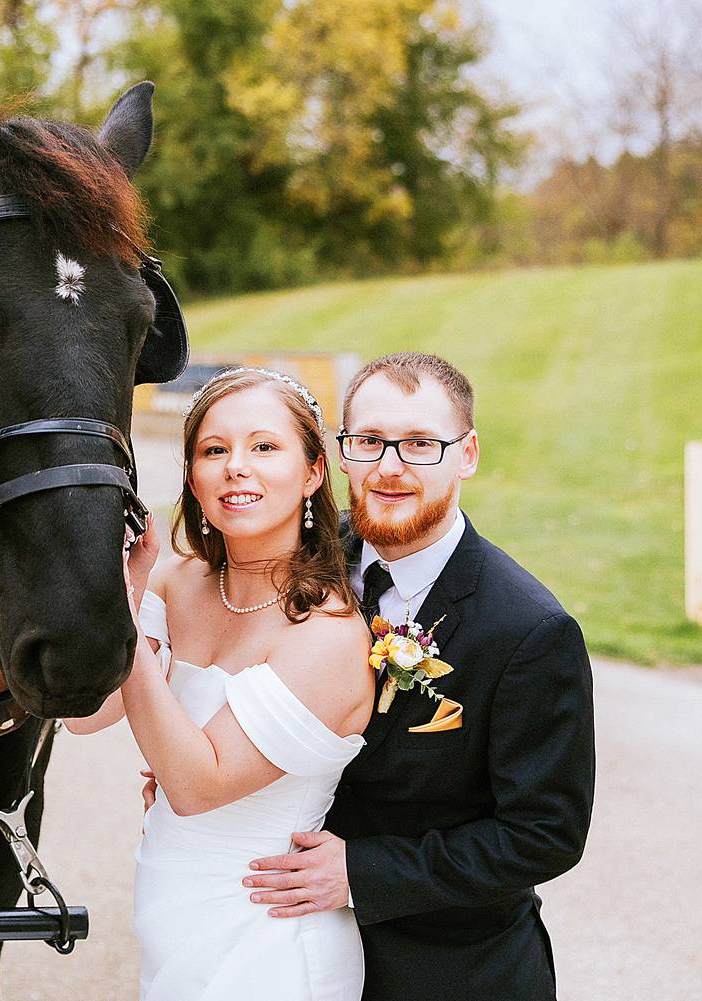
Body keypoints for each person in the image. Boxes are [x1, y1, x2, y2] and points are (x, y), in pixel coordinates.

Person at [240, 353, 595, 1000]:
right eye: (370, 440)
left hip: (451, 970)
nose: (390, 466)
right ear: (342, 453)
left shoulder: (529, 632)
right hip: (285, 951)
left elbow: (545, 833)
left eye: (422, 443)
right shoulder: (294, 567)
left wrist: (362, 872)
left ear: (468, 454)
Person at [67, 366, 374, 1001]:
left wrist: (126, 623)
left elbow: (194, 785)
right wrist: (118, 583)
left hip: (270, 935)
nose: (236, 466)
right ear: (191, 477)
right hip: (172, 917)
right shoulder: (175, 582)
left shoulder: (328, 633)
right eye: (214, 450)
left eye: (265, 446)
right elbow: (83, 711)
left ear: (314, 471)